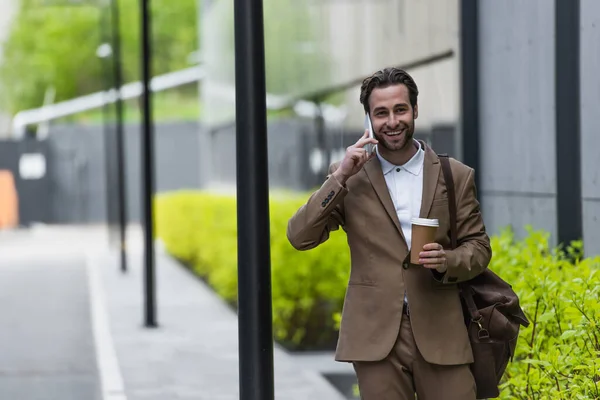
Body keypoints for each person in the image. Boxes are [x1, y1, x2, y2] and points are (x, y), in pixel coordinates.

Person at [286, 67, 491, 399]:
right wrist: (338, 178)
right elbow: (299, 236)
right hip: (375, 336)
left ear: (415, 110)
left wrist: (447, 259)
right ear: (369, 119)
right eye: (381, 113)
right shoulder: (350, 178)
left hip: (442, 329)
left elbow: (479, 248)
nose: (392, 121)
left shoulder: (454, 175)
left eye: (400, 109)